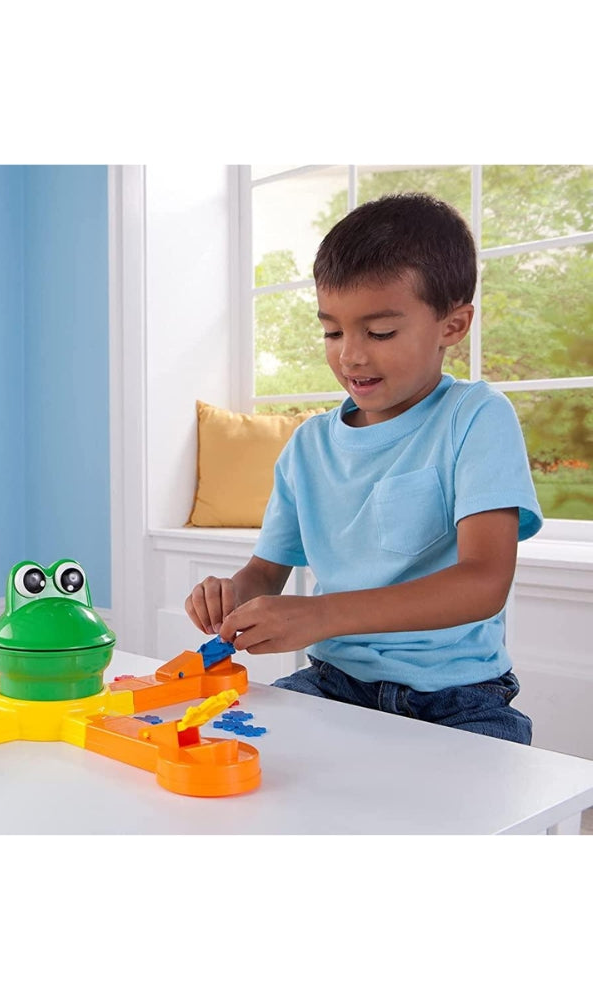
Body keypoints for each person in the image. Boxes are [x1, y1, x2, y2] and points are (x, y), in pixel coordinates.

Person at [185, 193, 543, 743]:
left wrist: (321, 615)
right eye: (332, 332)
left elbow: (484, 582)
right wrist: (231, 594)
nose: (350, 355)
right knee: (234, 760)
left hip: (458, 698)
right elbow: (265, 572)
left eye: (379, 333)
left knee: (495, 787)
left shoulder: (475, 416)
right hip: (332, 683)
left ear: (453, 325)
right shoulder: (307, 447)